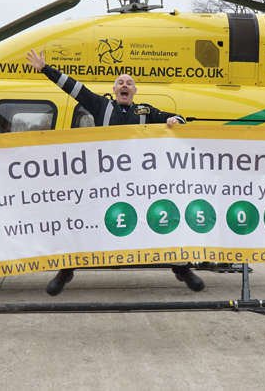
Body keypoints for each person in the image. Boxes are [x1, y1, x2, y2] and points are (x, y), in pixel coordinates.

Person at [25, 49, 204, 295]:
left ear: (134, 91)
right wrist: (46, 69)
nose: (124, 84)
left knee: (161, 218)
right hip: (103, 183)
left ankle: (182, 268)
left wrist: (175, 121)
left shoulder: (145, 111)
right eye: (120, 81)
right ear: (114, 88)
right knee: (80, 222)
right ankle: (66, 270)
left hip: (137, 185)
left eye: (129, 83)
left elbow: (176, 118)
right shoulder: (101, 106)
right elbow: (75, 88)